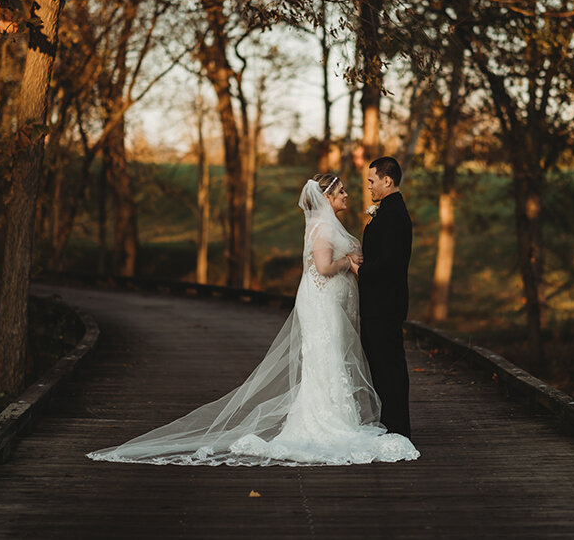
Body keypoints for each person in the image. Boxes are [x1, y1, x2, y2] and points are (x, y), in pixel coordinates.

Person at [86, 174, 418, 466]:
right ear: (328, 196)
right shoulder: (321, 226)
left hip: (333, 303)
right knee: (325, 358)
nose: (349, 195)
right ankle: (323, 421)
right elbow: (323, 267)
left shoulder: (332, 223)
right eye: (341, 191)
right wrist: (348, 262)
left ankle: (339, 416)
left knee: (333, 360)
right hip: (321, 304)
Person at [358, 156, 413, 437]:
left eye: (372, 181)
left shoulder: (392, 215)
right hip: (382, 302)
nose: (369, 186)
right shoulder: (389, 210)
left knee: (388, 364)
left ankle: (397, 426)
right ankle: (391, 422)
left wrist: (360, 268)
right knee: (383, 364)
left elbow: (389, 263)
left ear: (387, 180)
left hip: (384, 303)